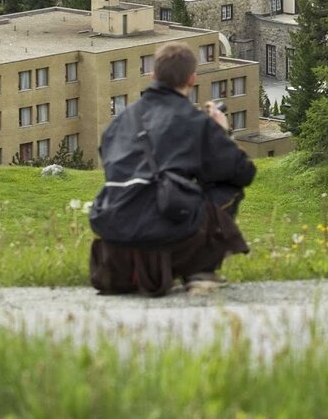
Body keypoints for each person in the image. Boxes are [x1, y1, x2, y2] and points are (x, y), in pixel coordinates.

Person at [88, 41, 256, 296]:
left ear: (153, 76)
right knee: (227, 186)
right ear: (192, 79)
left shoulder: (119, 122)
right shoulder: (195, 120)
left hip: (115, 251)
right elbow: (242, 171)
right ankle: (200, 269)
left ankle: (142, 270)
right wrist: (222, 133)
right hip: (168, 244)